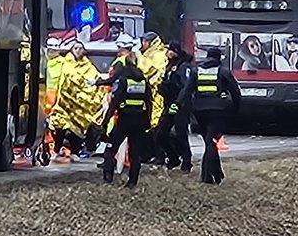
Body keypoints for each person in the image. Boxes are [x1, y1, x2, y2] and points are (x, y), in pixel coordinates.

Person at [191, 46, 242, 184]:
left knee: (209, 142)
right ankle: (208, 177)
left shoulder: (197, 70)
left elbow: (187, 90)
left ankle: (216, 174)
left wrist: (182, 107)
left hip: (200, 112)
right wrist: (235, 109)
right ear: (219, 58)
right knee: (210, 142)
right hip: (217, 111)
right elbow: (235, 92)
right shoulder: (223, 71)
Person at [100, 60, 155, 187]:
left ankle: (108, 178)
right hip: (140, 121)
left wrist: (105, 123)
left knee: (110, 148)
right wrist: (148, 121)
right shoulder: (143, 82)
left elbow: (114, 103)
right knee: (135, 153)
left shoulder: (123, 81)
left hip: (124, 120)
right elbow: (149, 103)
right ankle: (132, 182)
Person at [155, 42, 194, 172]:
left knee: (181, 133)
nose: (168, 53)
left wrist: (178, 103)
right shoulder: (169, 66)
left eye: (170, 51)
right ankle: (173, 157)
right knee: (160, 133)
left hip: (180, 104)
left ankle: (186, 161)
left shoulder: (184, 66)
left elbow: (185, 87)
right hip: (169, 103)